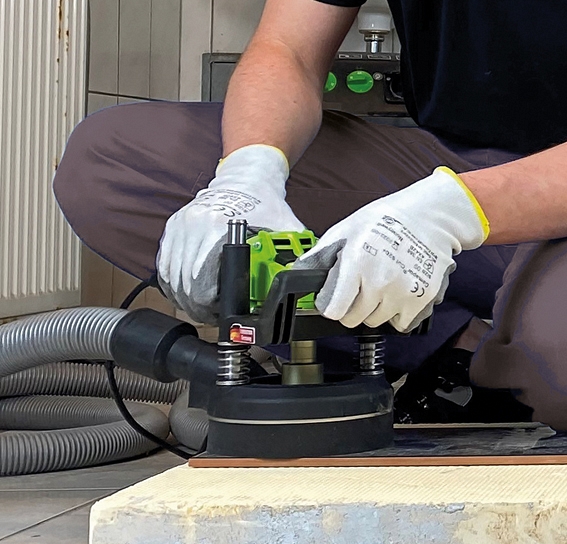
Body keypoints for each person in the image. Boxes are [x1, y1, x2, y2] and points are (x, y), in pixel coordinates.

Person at [53, 0, 567, 427]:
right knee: (112, 166)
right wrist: (247, 174)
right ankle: (456, 359)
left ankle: (525, 357)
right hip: (448, 160)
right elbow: (288, 48)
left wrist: (453, 209)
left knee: (558, 366)